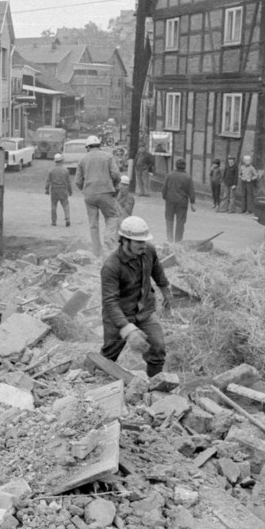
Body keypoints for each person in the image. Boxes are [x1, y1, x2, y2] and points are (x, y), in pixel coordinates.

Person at [100, 216, 172, 378]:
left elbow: (157, 270)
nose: (143, 245)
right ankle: (91, 382)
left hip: (144, 311)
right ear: (125, 241)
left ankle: (154, 386)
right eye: (138, 242)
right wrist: (127, 329)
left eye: (144, 241)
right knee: (108, 356)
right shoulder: (111, 266)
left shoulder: (148, 251)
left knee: (158, 348)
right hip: (119, 316)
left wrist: (165, 290)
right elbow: (110, 302)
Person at [75, 134, 121, 255]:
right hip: (106, 191)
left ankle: (97, 251)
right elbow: (116, 174)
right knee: (112, 216)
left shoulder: (82, 160)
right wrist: (114, 186)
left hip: (89, 194)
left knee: (93, 224)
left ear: (88, 147)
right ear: (99, 146)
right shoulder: (108, 157)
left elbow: (78, 181)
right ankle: (109, 238)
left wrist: (85, 189)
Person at [161, 158, 196, 243]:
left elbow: (164, 189)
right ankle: (178, 242)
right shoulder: (188, 177)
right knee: (180, 222)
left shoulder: (170, 175)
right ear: (185, 166)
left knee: (169, 221)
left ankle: (169, 240)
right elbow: (191, 191)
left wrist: (166, 197)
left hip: (170, 201)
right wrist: (192, 202)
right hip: (182, 202)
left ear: (176, 166)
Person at [45, 153, 72, 227]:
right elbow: (68, 182)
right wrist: (70, 191)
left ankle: (54, 221)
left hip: (54, 189)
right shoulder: (65, 170)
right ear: (61, 160)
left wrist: (47, 189)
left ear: (55, 161)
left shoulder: (51, 170)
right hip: (63, 189)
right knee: (65, 204)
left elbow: (48, 181)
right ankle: (67, 219)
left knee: (53, 205)